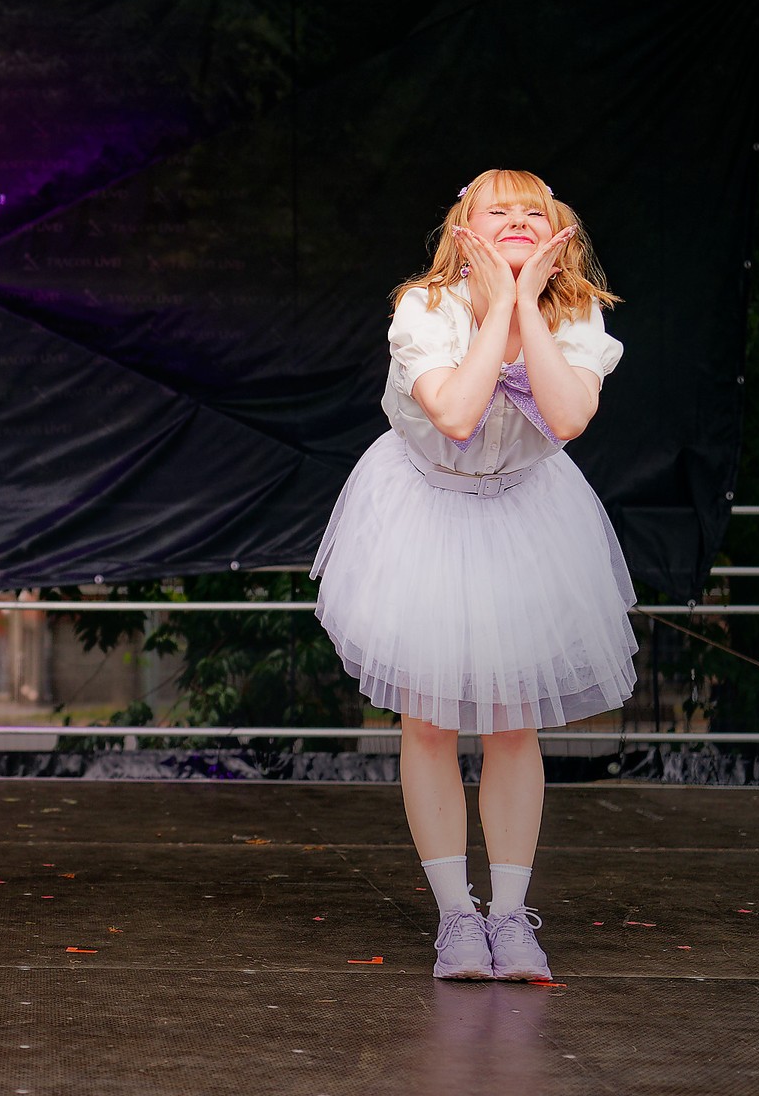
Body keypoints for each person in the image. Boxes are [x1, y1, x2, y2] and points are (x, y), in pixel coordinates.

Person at [312, 169, 635, 981]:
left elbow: (568, 417)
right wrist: (495, 310)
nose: (519, 219)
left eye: (534, 211)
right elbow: (455, 415)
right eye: (500, 210)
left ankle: (511, 917)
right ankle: (457, 917)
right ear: (464, 232)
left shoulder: (575, 312)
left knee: (512, 720)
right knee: (427, 721)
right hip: (427, 508)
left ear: (559, 233)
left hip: (524, 512)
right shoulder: (426, 306)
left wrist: (526, 301)